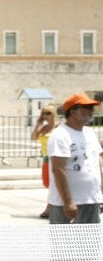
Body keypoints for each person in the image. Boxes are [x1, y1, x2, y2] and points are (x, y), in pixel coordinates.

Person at [47, 93, 102, 224]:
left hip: (91, 200)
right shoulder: (60, 135)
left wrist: (100, 195)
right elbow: (58, 169)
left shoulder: (89, 133)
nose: (92, 111)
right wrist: (68, 202)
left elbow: (97, 165)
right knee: (66, 243)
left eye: (92, 107)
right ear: (73, 111)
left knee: (91, 243)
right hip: (68, 204)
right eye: (87, 107)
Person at [30, 105, 57, 218]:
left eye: (48, 113)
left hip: (55, 159)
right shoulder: (44, 128)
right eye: (44, 113)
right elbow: (33, 137)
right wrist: (38, 124)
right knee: (47, 183)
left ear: (54, 114)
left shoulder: (59, 127)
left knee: (53, 184)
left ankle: (49, 208)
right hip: (46, 158)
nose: (46, 116)